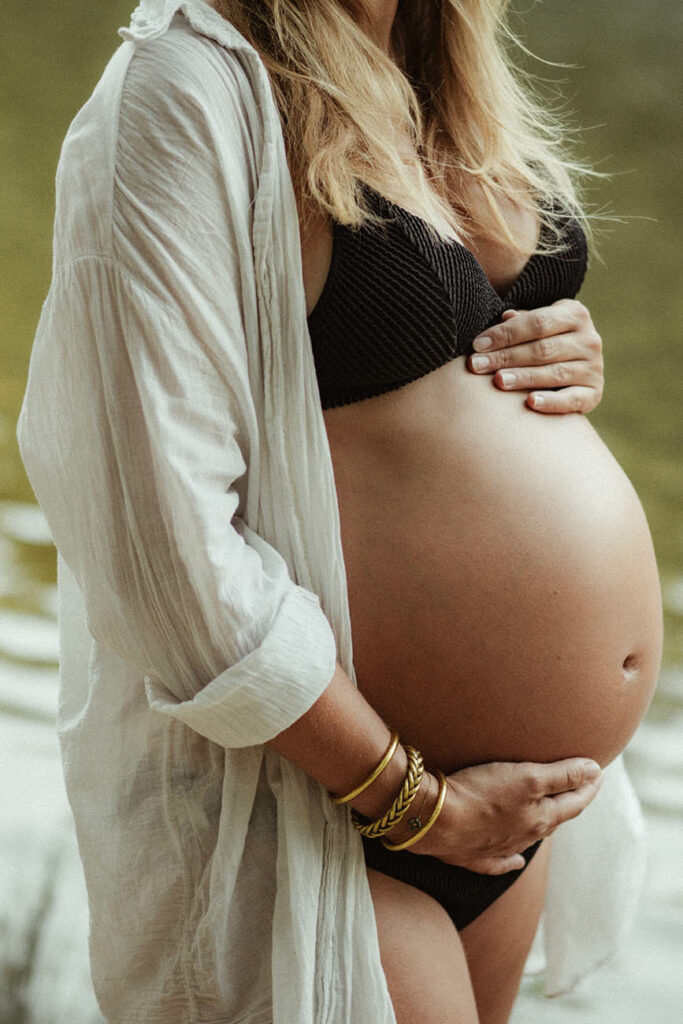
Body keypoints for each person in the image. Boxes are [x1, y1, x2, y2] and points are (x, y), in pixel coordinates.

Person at [16, 2, 661, 1022]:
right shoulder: (183, 88)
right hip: (330, 814)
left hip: (496, 821)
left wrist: (555, 345)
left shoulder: (427, 56)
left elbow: (428, 368)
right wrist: (416, 804)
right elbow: (163, 552)